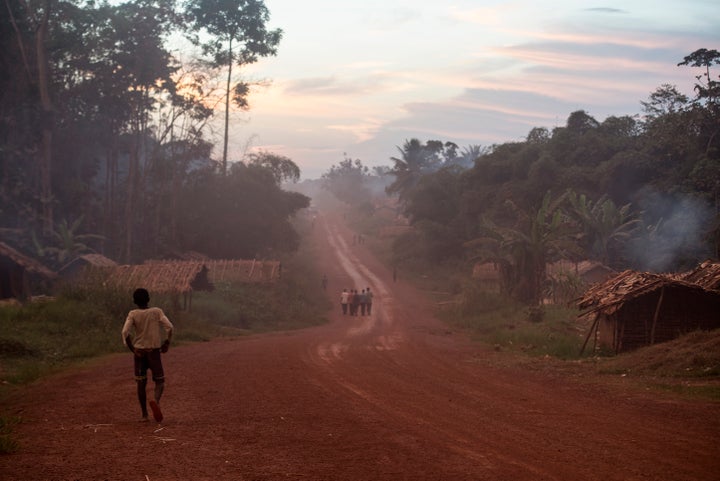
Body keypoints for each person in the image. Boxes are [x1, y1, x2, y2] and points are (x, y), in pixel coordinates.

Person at [122, 288, 174, 423]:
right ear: (149, 299)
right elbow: (170, 327)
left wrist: (133, 349)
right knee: (160, 381)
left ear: (134, 301)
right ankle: (156, 401)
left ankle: (144, 415)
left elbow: (125, 332)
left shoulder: (133, 313)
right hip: (154, 352)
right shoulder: (157, 311)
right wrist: (167, 342)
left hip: (139, 353)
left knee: (141, 383)